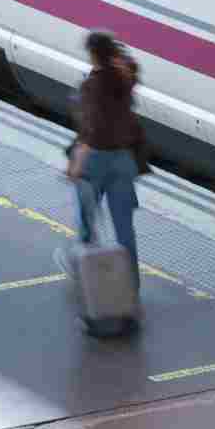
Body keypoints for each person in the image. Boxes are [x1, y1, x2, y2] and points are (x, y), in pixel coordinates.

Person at [66, 31, 143, 292]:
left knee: (88, 224)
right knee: (125, 231)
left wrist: (76, 163)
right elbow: (132, 67)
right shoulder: (125, 77)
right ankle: (131, 286)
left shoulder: (93, 85)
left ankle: (86, 280)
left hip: (95, 161)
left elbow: (91, 130)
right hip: (124, 160)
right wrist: (121, 58)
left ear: (92, 54)